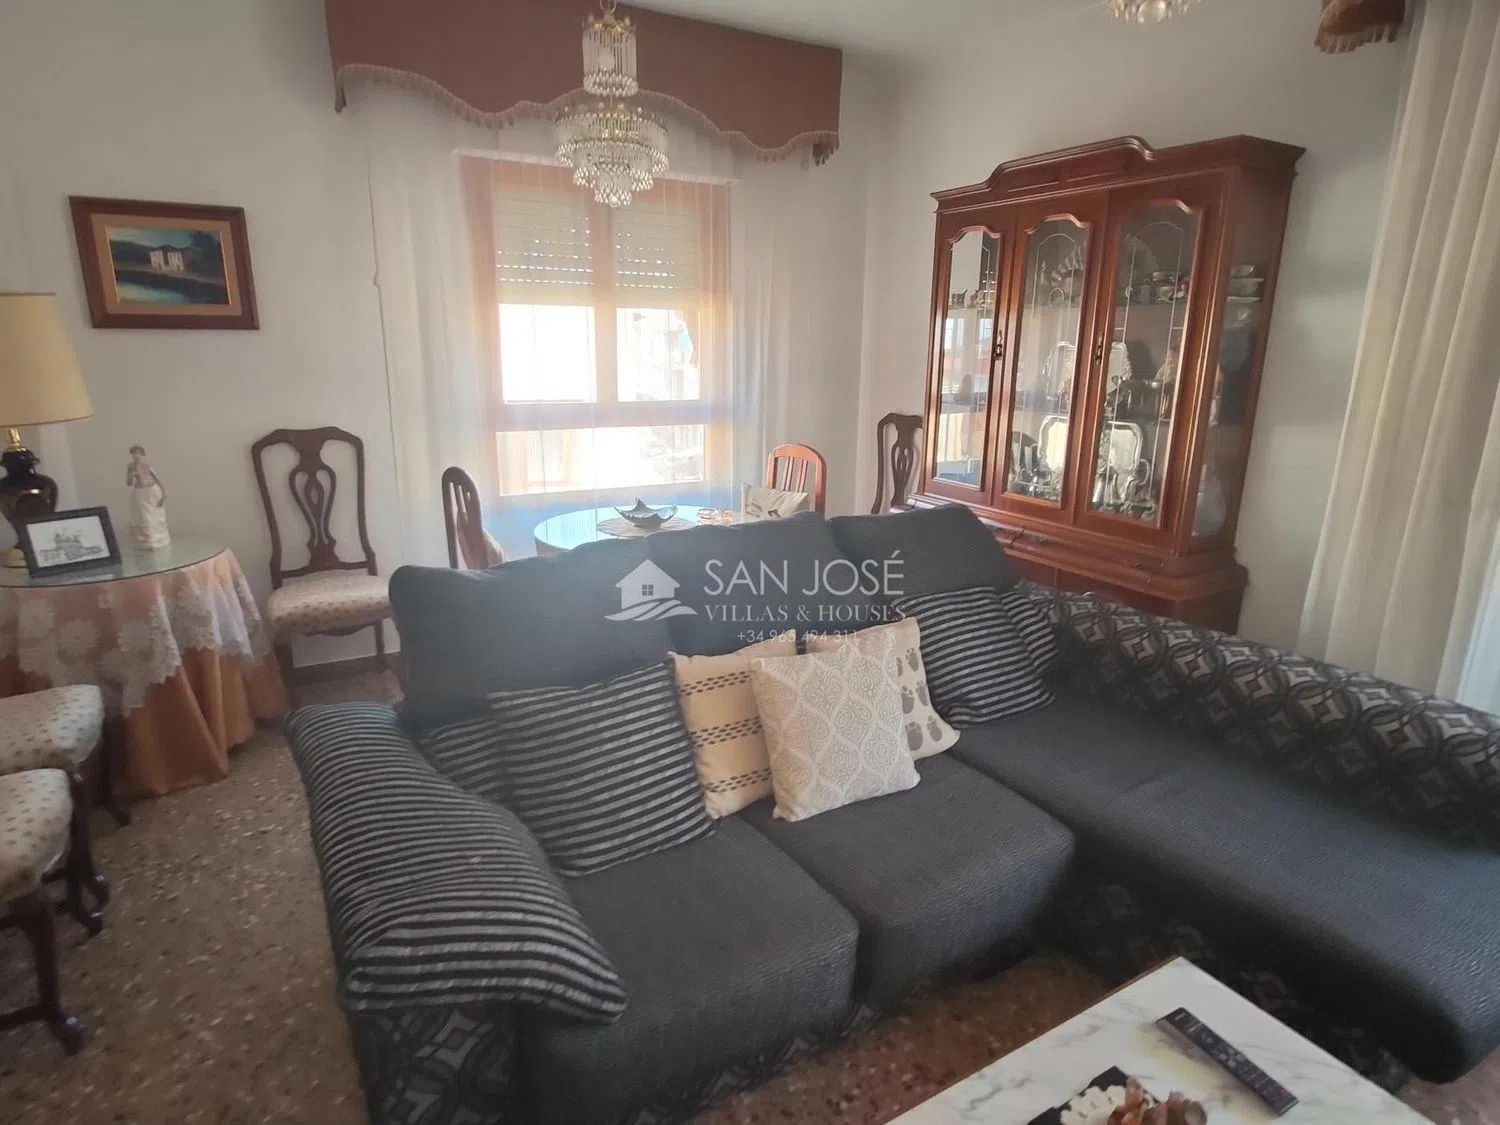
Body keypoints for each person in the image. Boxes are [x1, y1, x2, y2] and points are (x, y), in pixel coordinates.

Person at [126, 445, 170, 549]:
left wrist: (164, 493)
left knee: (155, 516)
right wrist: (131, 476)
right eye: (134, 453)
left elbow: (157, 479)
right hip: (140, 493)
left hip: (151, 491)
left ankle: (158, 541)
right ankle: (147, 542)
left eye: (138, 453)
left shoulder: (147, 465)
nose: (136, 456)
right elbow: (128, 483)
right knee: (144, 517)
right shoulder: (131, 466)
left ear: (142, 455)